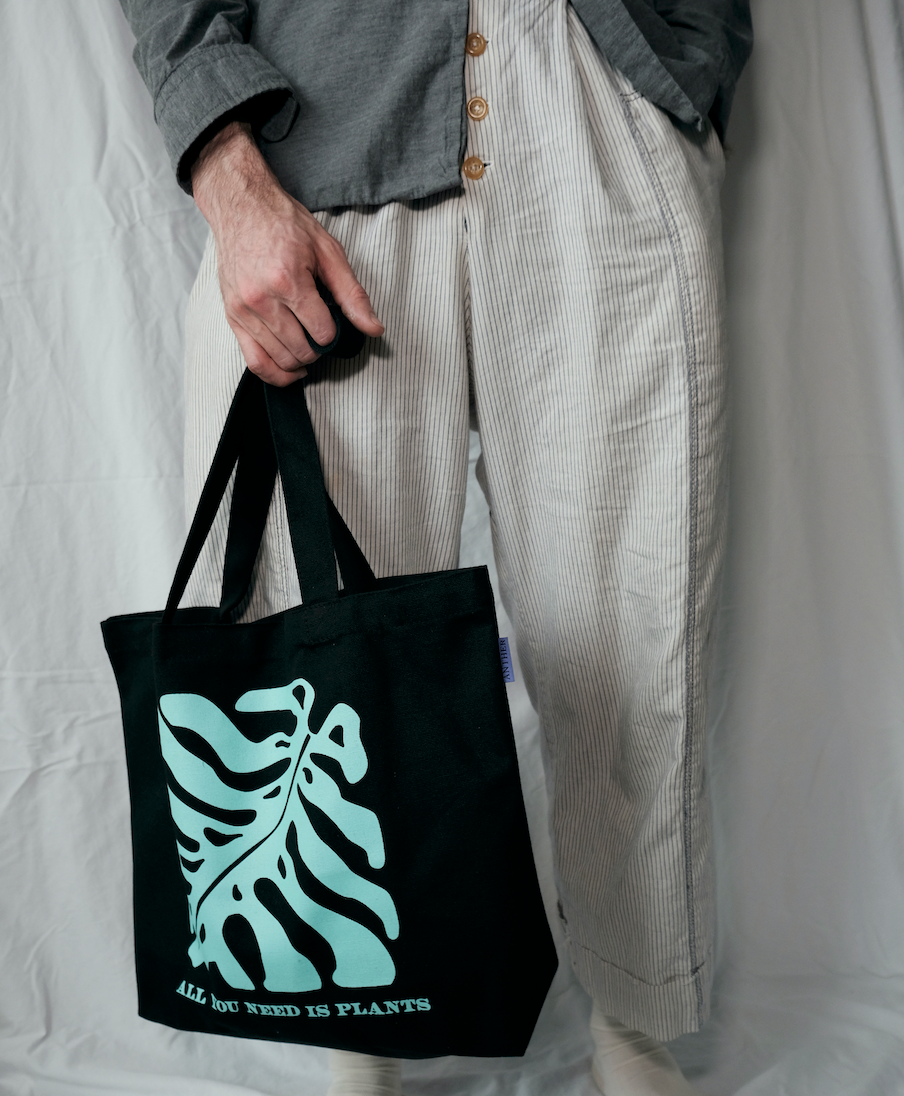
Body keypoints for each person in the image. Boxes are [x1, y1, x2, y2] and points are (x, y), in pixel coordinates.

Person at [118, 2, 753, 1093]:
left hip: (596, 83)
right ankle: (352, 1024)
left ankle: (634, 1018)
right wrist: (228, 172)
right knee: (306, 648)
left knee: (632, 628)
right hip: (314, 122)